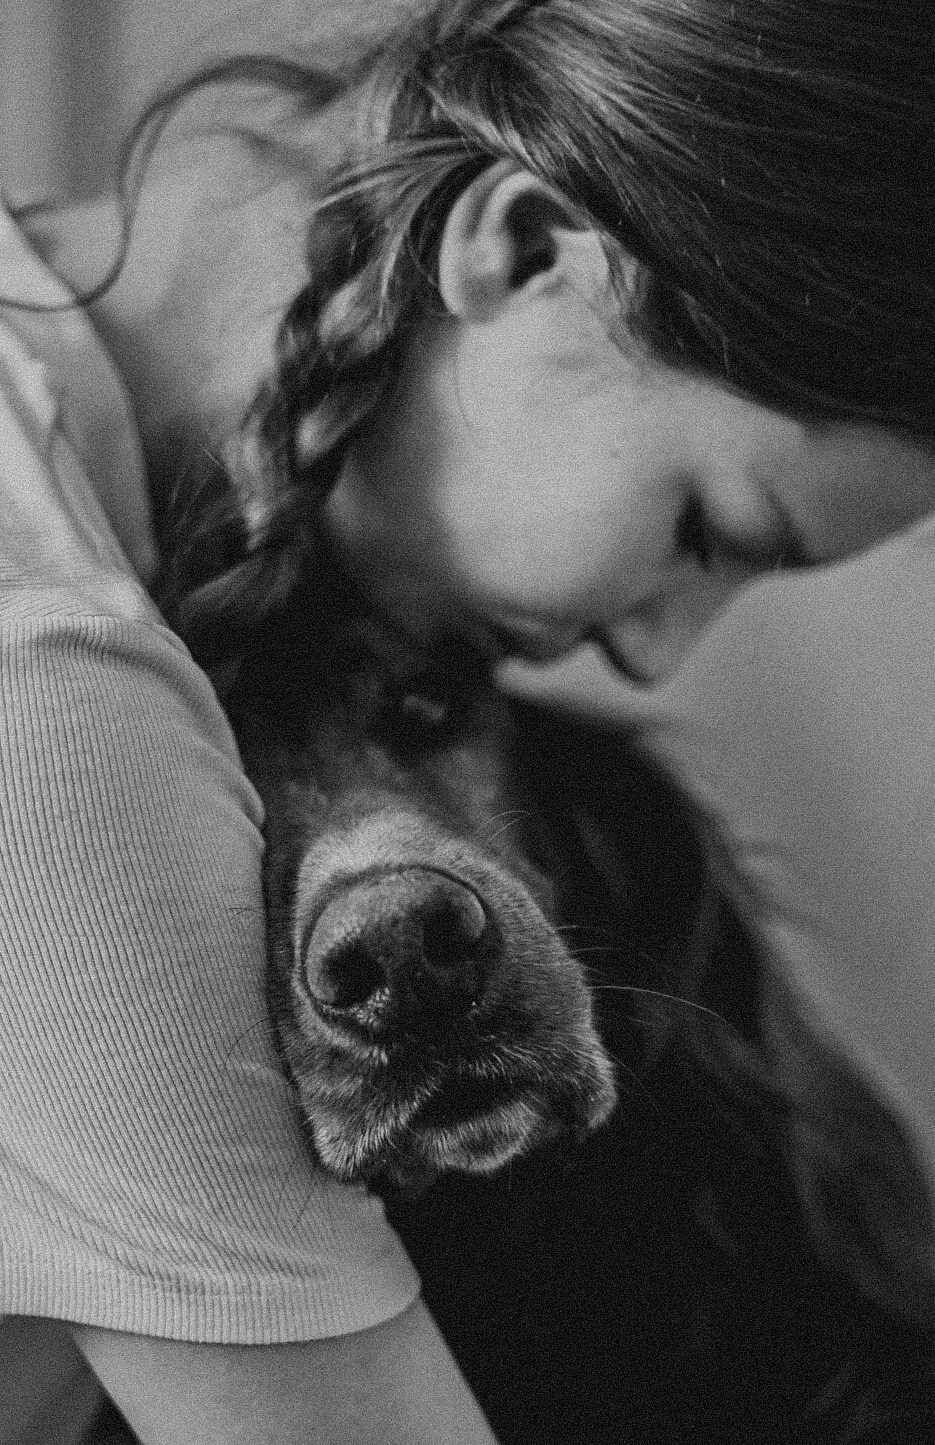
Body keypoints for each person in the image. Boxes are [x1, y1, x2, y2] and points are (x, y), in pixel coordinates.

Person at [1, 0, 933, 1439]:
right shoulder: (51, 698)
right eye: (705, 530)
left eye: (425, 705)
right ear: (526, 247)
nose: (650, 653)